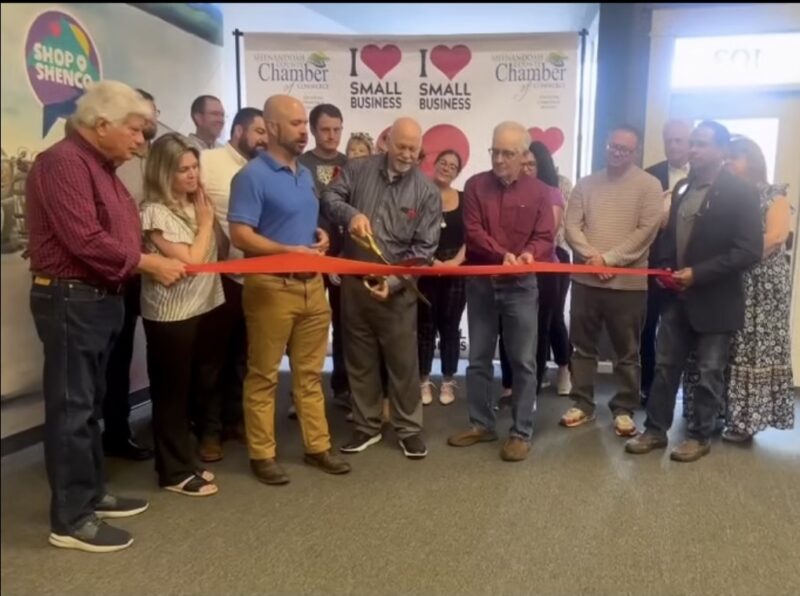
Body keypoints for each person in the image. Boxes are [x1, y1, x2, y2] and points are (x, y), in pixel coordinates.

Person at [26, 80, 185, 552]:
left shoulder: (101, 167)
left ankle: (91, 494)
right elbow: (86, 241)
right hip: (70, 300)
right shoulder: (62, 165)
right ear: (102, 125)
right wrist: (150, 262)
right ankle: (71, 521)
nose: (142, 141)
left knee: (89, 406)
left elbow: (112, 235)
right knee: (72, 410)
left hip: (97, 299)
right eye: (136, 131)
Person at [229, 94, 351, 485]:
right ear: (273, 127)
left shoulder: (304, 174)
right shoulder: (251, 176)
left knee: (310, 375)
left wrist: (320, 237)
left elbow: (305, 222)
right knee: (264, 375)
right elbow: (240, 234)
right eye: (297, 124)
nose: (305, 131)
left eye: (304, 124)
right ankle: (262, 454)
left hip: (311, 287)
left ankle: (317, 447)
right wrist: (286, 250)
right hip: (270, 288)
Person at [625, 121, 763, 462]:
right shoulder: (684, 188)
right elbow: (670, 238)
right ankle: (655, 430)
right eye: (692, 144)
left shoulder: (741, 192)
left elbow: (748, 251)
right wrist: (665, 268)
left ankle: (699, 436)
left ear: (721, 150)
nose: (693, 150)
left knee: (709, 374)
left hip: (716, 302)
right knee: (664, 368)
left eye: (701, 144)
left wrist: (697, 274)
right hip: (676, 298)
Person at [322, 117, 441, 459]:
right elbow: (329, 196)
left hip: (398, 290)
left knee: (403, 364)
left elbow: (424, 251)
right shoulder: (358, 169)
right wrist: (350, 214)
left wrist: (391, 283)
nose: (406, 154)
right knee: (359, 358)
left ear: (420, 151)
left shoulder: (427, 192)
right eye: (400, 146)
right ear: (387, 141)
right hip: (355, 285)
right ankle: (367, 425)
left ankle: (408, 429)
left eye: (413, 149)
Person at [447, 121, 555, 463]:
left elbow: (545, 236)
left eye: (507, 153)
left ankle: (521, 432)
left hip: (521, 285)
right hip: (481, 282)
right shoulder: (475, 186)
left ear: (524, 155)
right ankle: (481, 424)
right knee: (478, 357)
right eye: (495, 151)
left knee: (523, 360)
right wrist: (501, 254)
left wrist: (528, 255)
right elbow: (474, 231)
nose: (499, 159)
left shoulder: (539, 191)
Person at [683, 137, 794, 442]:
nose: (729, 162)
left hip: (759, 287)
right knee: (715, 353)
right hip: (722, 283)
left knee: (750, 350)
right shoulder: (716, 193)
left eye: (737, 157)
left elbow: (773, 239)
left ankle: (744, 421)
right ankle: (709, 414)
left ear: (754, 161)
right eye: (726, 157)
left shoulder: (774, 196)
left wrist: (734, 257)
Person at [560, 125, 663, 437]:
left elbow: (646, 232)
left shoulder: (649, 185)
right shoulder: (586, 184)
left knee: (627, 352)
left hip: (628, 285)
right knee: (582, 348)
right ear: (605, 145)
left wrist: (609, 260)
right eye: (613, 146)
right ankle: (582, 404)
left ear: (636, 152)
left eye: (625, 149)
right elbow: (571, 227)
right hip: (585, 282)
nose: (617, 152)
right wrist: (594, 258)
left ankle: (624, 409)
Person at [139, 133, 225, 497]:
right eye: (182, 170)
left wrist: (204, 217)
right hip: (171, 316)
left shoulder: (194, 203)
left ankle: (185, 461)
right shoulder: (155, 212)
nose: (192, 175)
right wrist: (206, 223)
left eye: (194, 167)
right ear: (163, 172)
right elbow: (190, 260)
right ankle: (173, 472)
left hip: (203, 306)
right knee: (171, 395)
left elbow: (211, 252)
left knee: (193, 388)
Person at [197, 107, 268, 462]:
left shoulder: (265, 169)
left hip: (255, 277)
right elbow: (195, 207)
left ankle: (233, 422)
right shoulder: (208, 161)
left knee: (243, 356)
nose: (263, 139)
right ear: (238, 130)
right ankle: (208, 433)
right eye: (257, 131)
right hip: (219, 276)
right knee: (212, 359)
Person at [102, 88, 159, 462]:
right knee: (115, 356)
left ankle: (159, 420)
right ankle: (115, 434)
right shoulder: (106, 164)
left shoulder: (152, 158)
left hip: (151, 270)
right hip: (117, 273)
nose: (145, 131)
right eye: (140, 122)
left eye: (151, 119)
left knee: (158, 344)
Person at [497, 143, 568, 402]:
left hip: (543, 271)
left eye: (532, 165)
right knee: (507, 330)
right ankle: (508, 386)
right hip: (509, 268)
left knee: (538, 331)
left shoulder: (551, 193)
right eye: (523, 164)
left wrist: (523, 252)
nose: (526, 169)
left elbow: (547, 236)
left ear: (542, 167)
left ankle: (532, 392)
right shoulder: (505, 190)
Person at [298, 104, 351, 411]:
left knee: (346, 324)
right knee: (307, 324)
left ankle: (342, 386)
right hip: (309, 252)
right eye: (325, 130)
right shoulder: (300, 164)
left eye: (336, 129)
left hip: (344, 257)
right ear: (314, 130)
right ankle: (303, 391)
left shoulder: (352, 165)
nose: (332, 136)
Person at [641, 119, 692, 402]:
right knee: (647, 327)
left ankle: (687, 393)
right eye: (669, 140)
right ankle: (647, 388)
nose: (673, 146)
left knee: (687, 328)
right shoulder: (649, 177)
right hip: (652, 264)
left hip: (691, 267)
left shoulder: (706, 176)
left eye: (679, 140)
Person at [418, 150, 466, 406]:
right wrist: (431, 261)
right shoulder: (420, 194)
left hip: (456, 270)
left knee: (450, 327)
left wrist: (455, 263)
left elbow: (472, 237)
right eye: (443, 163)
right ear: (434, 165)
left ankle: (448, 380)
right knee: (424, 327)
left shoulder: (464, 199)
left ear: (457, 172)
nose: (446, 168)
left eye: (452, 165)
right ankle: (423, 380)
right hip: (426, 266)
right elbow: (411, 232)